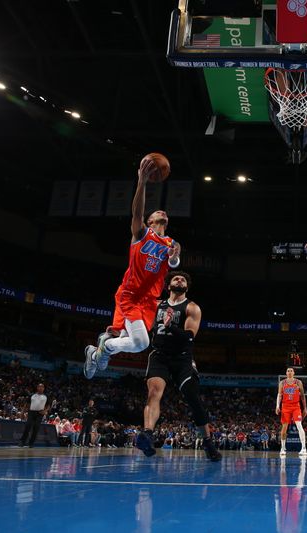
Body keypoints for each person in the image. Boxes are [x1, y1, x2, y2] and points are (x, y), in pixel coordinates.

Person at [84, 157, 181, 378]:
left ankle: (99, 351)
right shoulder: (141, 235)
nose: (162, 212)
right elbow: (137, 212)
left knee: (132, 341)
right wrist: (142, 182)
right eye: (156, 213)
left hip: (148, 301)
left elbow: (174, 264)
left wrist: (175, 257)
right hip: (131, 294)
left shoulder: (172, 244)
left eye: (163, 213)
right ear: (149, 221)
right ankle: (104, 348)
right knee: (140, 343)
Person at [134, 271, 221, 461]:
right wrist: (119, 330)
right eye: (176, 278)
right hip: (159, 356)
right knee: (153, 393)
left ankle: (207, 442)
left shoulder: (192, 308)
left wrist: (170, 326)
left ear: (187, 287)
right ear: (168, 285)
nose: (179, 280)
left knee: (193, 399)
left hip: (182, 358)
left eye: (183, 279)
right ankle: (148, 434)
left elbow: (190, 337)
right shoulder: (156, 305)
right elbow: (138, 324)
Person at [276, 367, 307, 456]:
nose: (289, 372)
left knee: (299, 425)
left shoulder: (298, 382)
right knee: (284, 427)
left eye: (291, 371)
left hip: (296, 406)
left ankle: (303, 448)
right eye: (288, 371)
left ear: (294, 373)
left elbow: (302, 396)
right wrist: (277, 406)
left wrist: (305, 408)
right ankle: (282, 448)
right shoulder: (282, 383)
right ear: (286, 373)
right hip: (285, 407)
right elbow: (279, 395)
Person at [19, 383, 49, 447]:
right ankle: (22, 442)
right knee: (28, 426)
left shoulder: (46, 396)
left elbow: (48, 405)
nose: (40, 388)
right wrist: (22, 412)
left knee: (36, 428)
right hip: (31, 412)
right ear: (37, 387)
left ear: (44, 388)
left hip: (40, 414)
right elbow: (26, 404)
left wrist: (45, 411)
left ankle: (31, 443)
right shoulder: (32, 395)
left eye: (42, 387)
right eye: (39, 387)